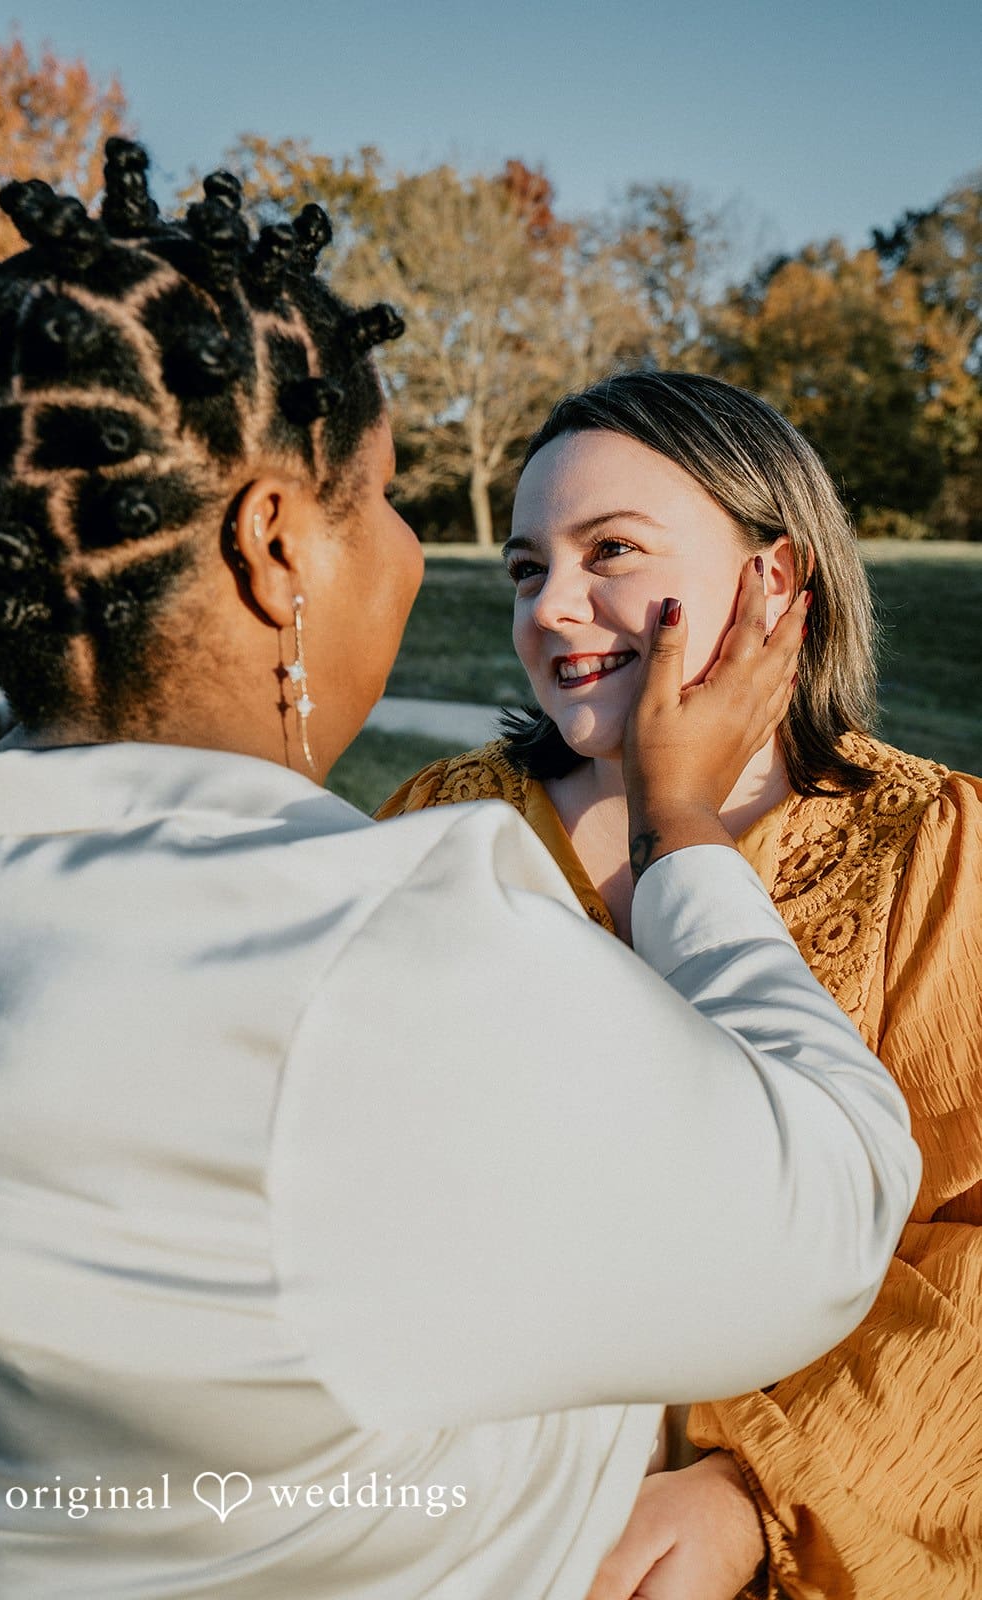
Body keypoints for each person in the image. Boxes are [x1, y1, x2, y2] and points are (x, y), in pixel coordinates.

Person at [0, 146, 919, 1600]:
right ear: (273, 548)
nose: (524, 596)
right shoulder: (396, 917)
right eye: (386, 504)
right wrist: (683, 822)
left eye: (609, 548)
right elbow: (828, 1206)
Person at [380, 370, 982, 1600]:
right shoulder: (432, 828)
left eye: (610, 550)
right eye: (522, 567)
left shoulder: (940, 850)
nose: (552, 607)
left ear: (773, 580)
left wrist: (753, 1491)